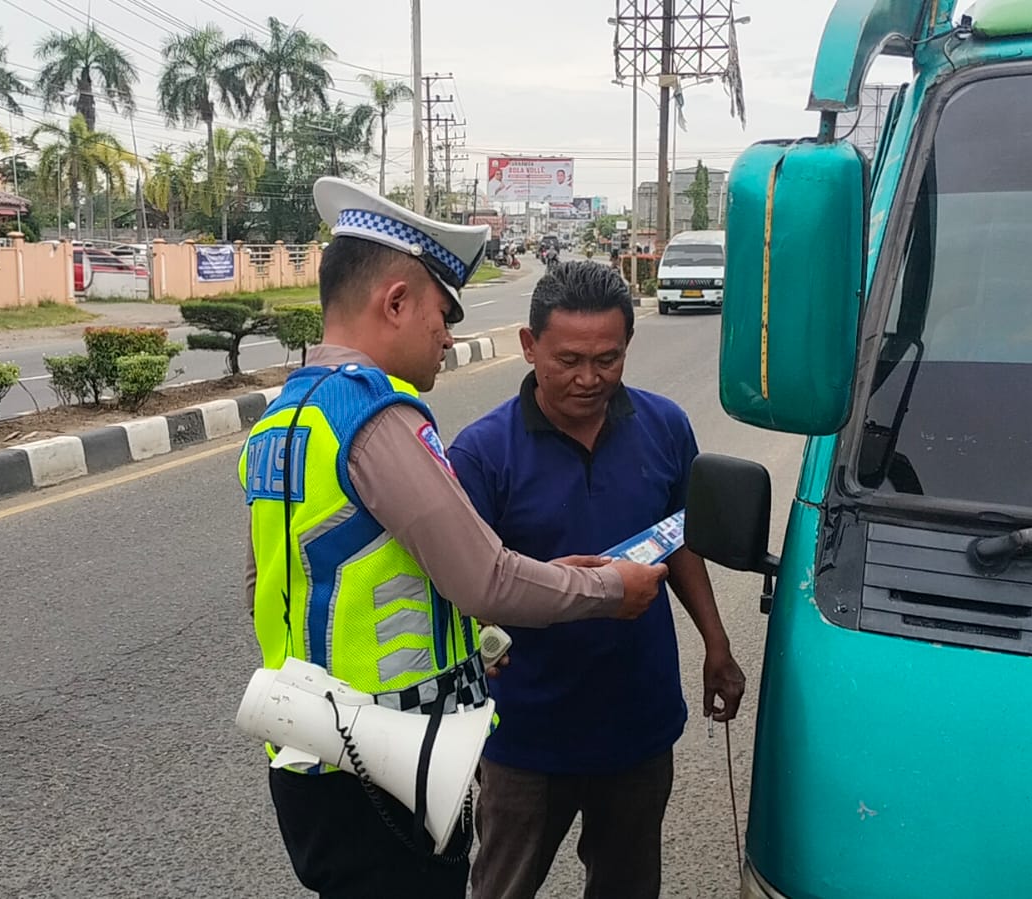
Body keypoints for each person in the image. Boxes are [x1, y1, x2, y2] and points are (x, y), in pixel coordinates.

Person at [240, 178, 671, 899]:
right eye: (442, 313)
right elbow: (484, 579)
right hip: (390, 759)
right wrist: (607, 587)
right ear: (397, 301)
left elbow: (277, 587)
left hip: (308, 746)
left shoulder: (284, 419)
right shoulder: (376, 418)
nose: (447, 335)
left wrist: (471, 636)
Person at [449, 261, 747, 899]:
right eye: (568, 360)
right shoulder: (481, 454)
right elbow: (460, 584)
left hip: (636, 725)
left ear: (628, 347)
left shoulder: (664, 426)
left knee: (628, 885)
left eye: (608, 359)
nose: (590, 378)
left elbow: (680, 542)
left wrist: (716, 644)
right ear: (529, 348)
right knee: (502, 886)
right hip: (525, 734)